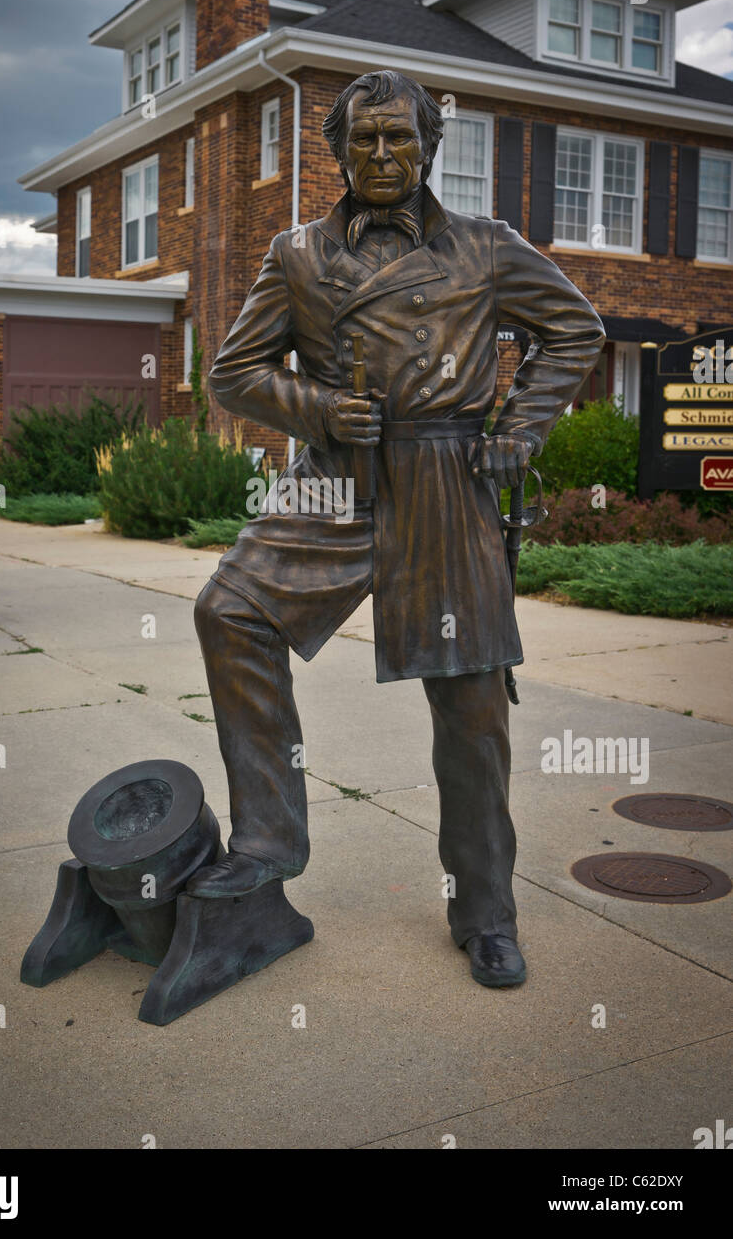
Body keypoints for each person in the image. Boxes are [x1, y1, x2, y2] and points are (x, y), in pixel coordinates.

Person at [187, 69, 604, 988]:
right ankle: (266, 840)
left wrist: (521, 427)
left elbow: (575, 329)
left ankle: (486, 912)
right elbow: (234, 374)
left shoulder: (486, 248)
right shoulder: (296, 253)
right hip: (335, 479)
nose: (382, 154)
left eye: (399, 139)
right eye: (364, 139)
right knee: (230, 612)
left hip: (447, 485)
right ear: (335, 151)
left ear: (429, 148)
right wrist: (320, 409)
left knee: (473, 708)